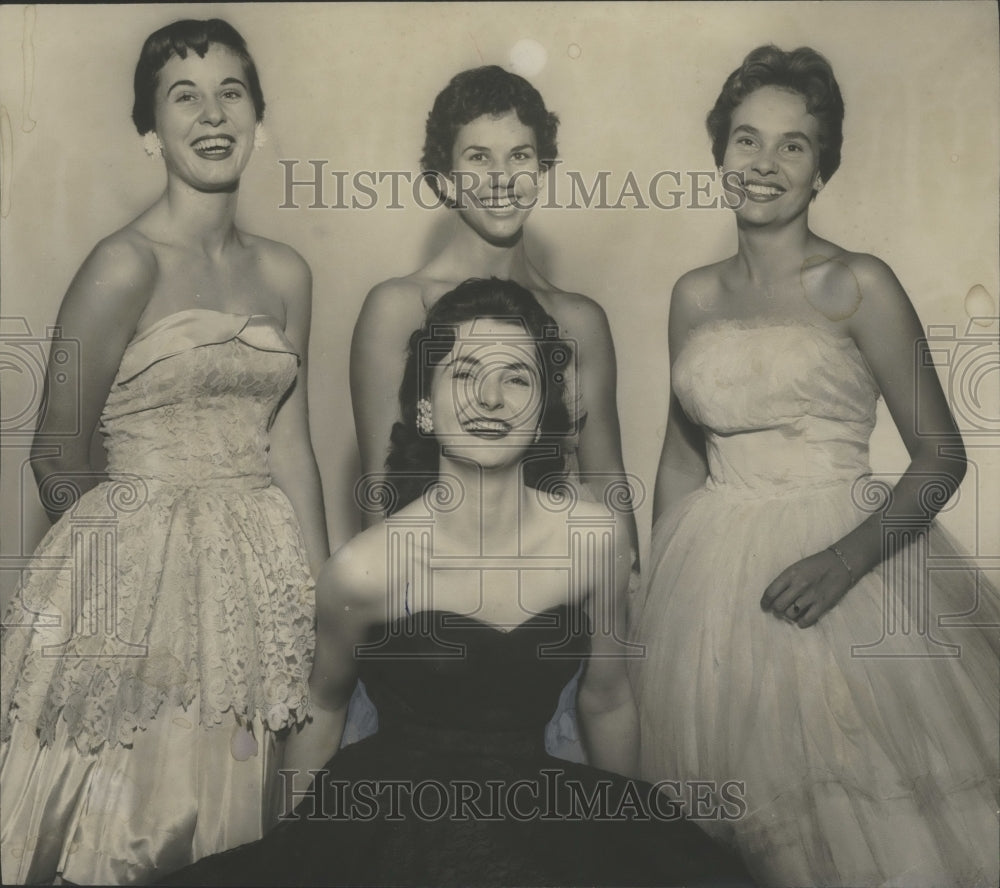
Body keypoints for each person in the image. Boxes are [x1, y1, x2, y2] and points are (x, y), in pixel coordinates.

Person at [163, 278, 753, 887]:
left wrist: (627, 850)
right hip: (393, 824)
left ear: (542, 408)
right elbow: (323, 707)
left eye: (518, 378)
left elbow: (607, 700)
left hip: (544, 812)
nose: (491, 398)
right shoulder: (365, 569)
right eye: (465, 374)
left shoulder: (596, 540)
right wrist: (291, 851)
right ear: (425, 406)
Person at [629, 44, 1000, 888]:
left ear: (821, 169)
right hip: (710, 591)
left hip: (847, 568)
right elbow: (682, 463)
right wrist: (659, 606)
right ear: (719, 154)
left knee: (863, 815)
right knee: (739, 836)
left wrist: (844, 560)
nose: (764, 164)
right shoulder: (693, 294)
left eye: (792, 145)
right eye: (746, 140)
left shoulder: (860, 281)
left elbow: (942, 456)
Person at [0, 19, 328, 885]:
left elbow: (289, 442)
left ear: (261, 116)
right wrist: (131, 594)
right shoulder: (121, 264)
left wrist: (319, 592)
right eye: (184, 97)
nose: (212, 114)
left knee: (240, 827)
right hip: (133, 592)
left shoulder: (289, 273)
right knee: (134, 831)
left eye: (232, 92)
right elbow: (55, 455)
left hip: (255, 587)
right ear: (150, 131)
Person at [347, 64, 637, 762]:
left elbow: (609, 488)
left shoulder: (579, 321)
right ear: (443, 178)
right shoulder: (398, 308)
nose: (501, 177)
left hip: (556, 639)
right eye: (478, 157)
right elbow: (384, 499)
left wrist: (610, 636)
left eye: (520, 157)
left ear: (543, 170)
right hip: (435, 646)